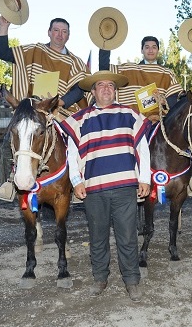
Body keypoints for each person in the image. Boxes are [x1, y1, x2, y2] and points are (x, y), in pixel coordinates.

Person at [58, 70, 151, 303]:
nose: (107, 89)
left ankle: (132, 280)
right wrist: (76, 181)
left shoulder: (130, 115)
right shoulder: (79, 119)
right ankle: (100, 277)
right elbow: (71, 155)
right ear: (93, 91)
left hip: (125, 186)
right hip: (93, 189)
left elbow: (143, 149)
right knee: (97, 236)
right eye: (101, 85)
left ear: (115, 90)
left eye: (111, 85)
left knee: (128, 236)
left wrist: (145, 178)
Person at [0, 16, 89, 201]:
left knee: (78, 140)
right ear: (49, 32)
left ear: (69, 35)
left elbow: (81, 88)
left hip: (58, 110)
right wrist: (4, 27)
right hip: (30, 110)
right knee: (8, 141)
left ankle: (77, 182)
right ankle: (9, 182)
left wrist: (61, 102)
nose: (59, 35)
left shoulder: (75, 62)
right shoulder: (35, 51)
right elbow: (4, 53)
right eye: (56, 30)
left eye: (64, 31)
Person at [98, 36, 192, 195]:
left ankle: (189, 179)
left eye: (154, 47)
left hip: (159, 120)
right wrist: (105, 46)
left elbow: (174, 103)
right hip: (135, 120)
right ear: (141, 50)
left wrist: (163, 102)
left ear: (158, 51)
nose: (150, 50)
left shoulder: (166, 73)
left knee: (185, 138)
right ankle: (131, 179)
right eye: (147, 47)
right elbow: (104, 69)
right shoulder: (129, 70)